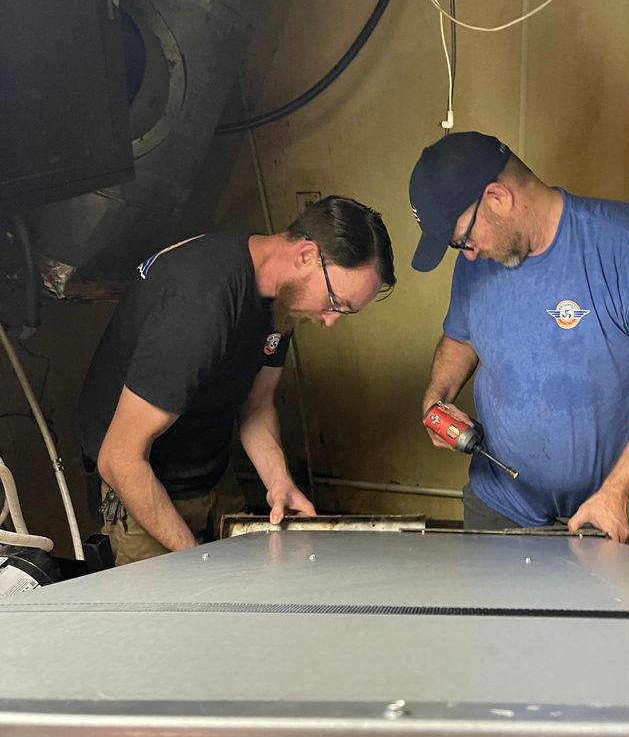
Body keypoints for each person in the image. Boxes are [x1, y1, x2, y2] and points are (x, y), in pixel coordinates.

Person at [409, 131, 629, 545]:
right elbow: (460, 340)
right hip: (499, 506)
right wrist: (435, 398)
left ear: (498, 198)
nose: (467, 254)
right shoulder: (477, 265)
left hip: (604, 513)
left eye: (463, 239)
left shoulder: (628, 247)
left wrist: (618, 492)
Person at [79, 196, 395, 565]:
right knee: (175, 612)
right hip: (142, 487)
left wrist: (278, 481)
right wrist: (193, 560)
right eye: (333, 302)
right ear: (307, 255)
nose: (329, 320)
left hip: (210, 471)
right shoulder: (199, 302)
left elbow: (257, 405)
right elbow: (119, 458)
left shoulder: (284, 298)